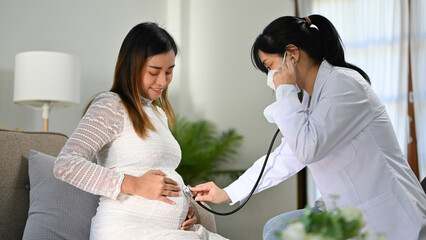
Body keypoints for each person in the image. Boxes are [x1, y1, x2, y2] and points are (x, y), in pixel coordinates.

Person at [190, 15, 426, 240]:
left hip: (386, 216)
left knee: (278, 231)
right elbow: (285, 157)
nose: (270, 76)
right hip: (346, 210)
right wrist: (228, 192)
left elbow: (307, 149)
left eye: (270, 65)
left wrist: (285, 91)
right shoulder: (313, 100)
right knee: (277, 229)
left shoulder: (344, 86)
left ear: (292, 54)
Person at [54, 22, 227, 240]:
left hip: (172, 231)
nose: (163, 81)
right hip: (127, 231)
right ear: (132, 66)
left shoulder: (158, 114)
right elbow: (66, 164)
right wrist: (134, 184)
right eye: (154, 71)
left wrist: (185, 209)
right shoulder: (111, 105)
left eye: (169, 72)